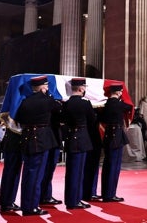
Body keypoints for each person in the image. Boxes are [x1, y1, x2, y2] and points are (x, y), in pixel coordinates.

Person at [14, 75, 62, 216]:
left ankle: (26, 204)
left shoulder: (25, 102)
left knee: (28, 173)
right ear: (42, 87)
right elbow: (59, 110)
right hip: (41, 140)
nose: (47, 88)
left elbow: (18, 119)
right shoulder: (48, 100)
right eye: (46, 86)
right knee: (36, 174)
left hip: (27, 138)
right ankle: (31, 207)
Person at [62, 78, 95, 209]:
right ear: (81, 88)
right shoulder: (85, 103)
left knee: (71, 171)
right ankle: (75, 201)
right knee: (79, 171)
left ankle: (70, 199)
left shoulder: (67, 103)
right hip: (82, 138)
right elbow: (92, 120)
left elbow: (63, 120)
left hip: (71, 138)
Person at [99, 82, 131, 202]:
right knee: (114, 166)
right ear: (118, 92)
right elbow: (129, 106)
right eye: (121, 92)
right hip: (116, 136)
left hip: (108, 136)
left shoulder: (106, 104)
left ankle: (106, 192)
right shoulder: (119, 104)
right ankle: (110, 194)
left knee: (108, 165)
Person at [0, 112, 22, 214]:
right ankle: (7, 202)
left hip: (14, 141)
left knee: (13, 172)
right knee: (11, 172)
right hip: (13, 141)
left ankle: (8, 201)